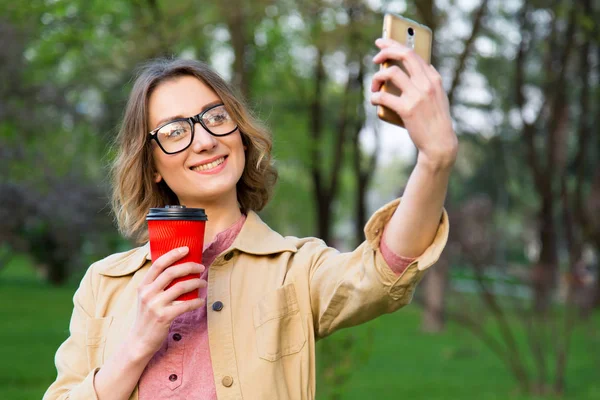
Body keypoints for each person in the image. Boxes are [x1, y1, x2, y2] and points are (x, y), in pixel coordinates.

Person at [44, 37, 457, 400]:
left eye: (216, 116)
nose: (204, 141)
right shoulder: (104, 284)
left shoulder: (295, 270)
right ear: (151, 164)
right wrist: (138, 341)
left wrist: (434, 160)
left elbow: (383, 270)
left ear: (238, 131)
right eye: (174, 131)